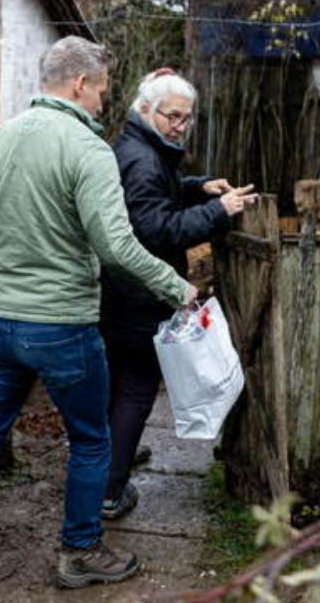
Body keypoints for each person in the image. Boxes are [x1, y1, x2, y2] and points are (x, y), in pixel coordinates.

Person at [0, 37, 198, 602]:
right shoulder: (88, 152)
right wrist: (175, 285)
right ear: (80, 84)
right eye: (104, 89)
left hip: (3, 327)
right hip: (64, 328)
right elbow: (116, 246)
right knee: (91, 441)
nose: (104, 102)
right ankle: (80, 552)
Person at [98, 69, 255, 520]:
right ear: (145, 110)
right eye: (173, 117)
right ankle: (110, 491)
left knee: (118, 385)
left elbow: (159, 197)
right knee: (136, 390)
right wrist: (218, 211)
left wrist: (197, 186)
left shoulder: (140, 148)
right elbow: (156, 230)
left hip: (119, 291)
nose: (181, 126)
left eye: (186, 119)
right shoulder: (144, 161)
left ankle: (111, 462)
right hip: (137, 295)